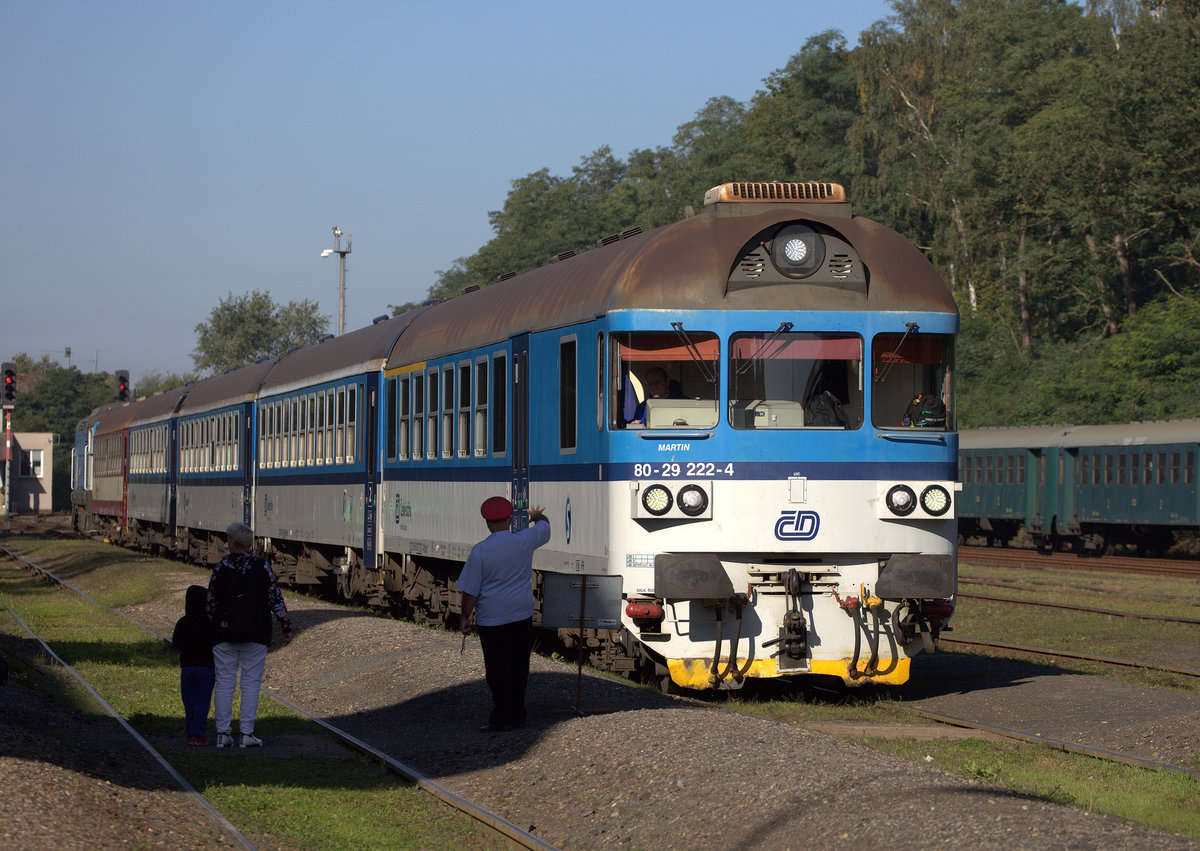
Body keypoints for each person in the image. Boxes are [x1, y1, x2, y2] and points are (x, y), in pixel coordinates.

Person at [458, 497, 550, 733]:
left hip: (492, 619)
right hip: (521, 614)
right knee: (519, 667)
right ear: (510, 519)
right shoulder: (524, 540)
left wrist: (464, 617)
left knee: (498, 670)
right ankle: (518, 716)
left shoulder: (481, 551)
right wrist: (536, 516)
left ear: (487, 522)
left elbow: (470, 591)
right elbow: (545, 527)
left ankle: (501, 718)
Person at [206, 522, 293, 748]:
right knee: (250, 684)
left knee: (224, 683)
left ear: (232, 543)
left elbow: (211, 603)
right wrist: (286, 627)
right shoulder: (262, 567)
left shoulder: (221, 567)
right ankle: (246, 733)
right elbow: (276, 599)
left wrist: (212, 626)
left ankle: (223, 734)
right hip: (256, 632)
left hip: (224, 632)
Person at [171, 584, 216, 746]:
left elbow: (176, 644)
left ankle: (191, 730)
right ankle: (197, 734)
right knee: (202, 701)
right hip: (207, 668)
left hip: (188, 667)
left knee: (188, 701)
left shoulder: (183, 622)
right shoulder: (210, 622)